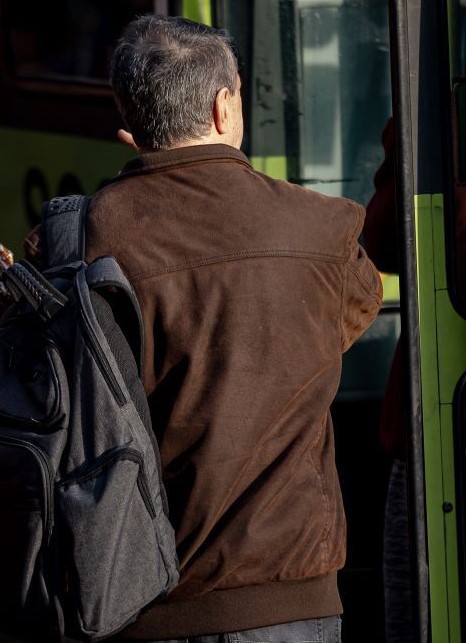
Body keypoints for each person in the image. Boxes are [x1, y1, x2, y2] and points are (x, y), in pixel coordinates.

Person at [25, 14, 383, 643]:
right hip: (288, 603)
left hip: (127, 601)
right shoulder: (321, 228)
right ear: (224, 106)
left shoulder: (71, 243)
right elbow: (343, 322)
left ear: (128, 121)